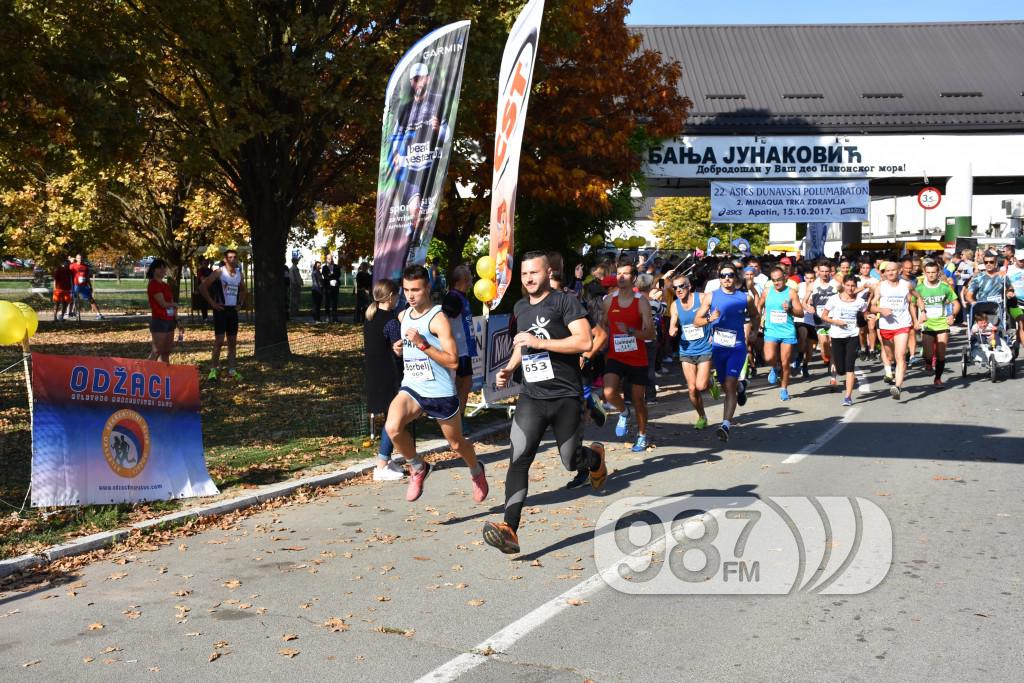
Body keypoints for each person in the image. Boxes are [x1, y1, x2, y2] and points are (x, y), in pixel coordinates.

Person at [481, 252, 607, 554]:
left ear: (547, 272)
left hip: (565, 396)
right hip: (532, 397)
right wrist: (510, 369)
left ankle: (593, 459)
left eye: (533, 273)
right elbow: (522, 343)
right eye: (524, 275)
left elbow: (584, 342)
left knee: (569, 461)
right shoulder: (520, 307)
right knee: (519, 458)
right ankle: (509, 528)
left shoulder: (565, 302)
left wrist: (542, 343)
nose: (528, 279)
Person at [385, 265, 488, 503]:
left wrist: (422, 344)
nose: (411, 296)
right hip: (412, 387)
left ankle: (476, 470)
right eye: (407, 290)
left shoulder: (438, 318)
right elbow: (405, 346)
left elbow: (452, 361)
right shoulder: (403, 315)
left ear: (428, 288)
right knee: (393, 428)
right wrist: (398, 348)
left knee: (456, 443)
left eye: (416, 290)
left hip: (439, 391)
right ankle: (418, 467)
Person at [694, 264, 759, 442]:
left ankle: (725, 425)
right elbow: (696, 321)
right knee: (725, 385)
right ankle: (741, 386)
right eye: (723, 275)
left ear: (736, 277)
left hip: (737, 346)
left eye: (730, 275)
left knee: (729, 384)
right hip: (718, 348)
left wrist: (754, 331)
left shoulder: (745, 297)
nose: (727, 278)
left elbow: (755, 315)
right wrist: (709, 319)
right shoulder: (711, 296)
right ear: (719, 277)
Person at [601, 261, 656, 452]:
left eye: (625, 274)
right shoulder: (609, 300)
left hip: (637, 357)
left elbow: (651, 334)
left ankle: (642, 436)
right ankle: (624, 413)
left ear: (633, 278)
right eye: (618, 274)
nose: (621, 277)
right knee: (608, 393)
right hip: (616, 355)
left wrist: (632, 331)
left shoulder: (641, 301)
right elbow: (603, 327)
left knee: (638, 400)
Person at [364, 279, 407, 482]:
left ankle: (387, 458)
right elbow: (399, 348)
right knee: (394, 418)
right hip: (389, 374)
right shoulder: (390, 322)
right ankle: (381, 464)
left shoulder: (370, 317)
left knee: (392, 416)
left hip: (375, 373)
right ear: (391, 297)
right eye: (397, 295)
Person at [668, 273, 716, 428]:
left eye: (681, 286)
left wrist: (714, 333)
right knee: (692, 387)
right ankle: (702, 416)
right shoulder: (675, 305)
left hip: (704, 346)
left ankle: (710, 382)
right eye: (675, 287)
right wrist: (672, 329)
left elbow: (717, 315)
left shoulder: (702, 298)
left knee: (701, 386)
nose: (678, 290)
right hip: (686, 349)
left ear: (689, 286)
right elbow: (673, 323)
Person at [870, 261, 919, 400]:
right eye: (887, 271)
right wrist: (880, 310)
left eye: (893, 270)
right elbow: (872, 306)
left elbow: (914, 300)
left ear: (899, 271)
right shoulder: (880, 287)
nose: (890, 273)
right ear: (884, 273)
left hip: (903, 324)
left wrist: (918, 317)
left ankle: (897, 386)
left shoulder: (907, 285)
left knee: (901, 355)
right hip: (886, 326)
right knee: (890, 356)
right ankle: (891, 368)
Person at [821, 275, 869, 406]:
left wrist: (869, 317)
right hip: (837, 336)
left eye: (853, 286)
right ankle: (839, 373)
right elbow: (823, 316)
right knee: (841, 369)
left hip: (852, 336)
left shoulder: (860, 302)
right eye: (848, 285)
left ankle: (848, 397)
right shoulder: (834, 299)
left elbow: (865, 313)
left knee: (850, 366)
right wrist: (835, 321)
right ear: (843, 285)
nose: (850, 288)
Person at [199, 249, 246, 381]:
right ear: (225, 260)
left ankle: (232, 370)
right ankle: (214, 370)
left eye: (235, 257)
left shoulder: (239, 274)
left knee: (232, 342)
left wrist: (240, 303)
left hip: (232, 311)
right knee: (219, 342)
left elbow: (243, 290)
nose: (233, 260)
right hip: (220, 310)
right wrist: (212, 303)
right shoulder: (219, 272)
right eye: (230, 257)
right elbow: (203, 287)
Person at [758, 266, 804, 401]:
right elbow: (759, 305)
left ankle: (784, 388)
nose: (777, 283)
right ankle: (774, 367)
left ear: (785, 278)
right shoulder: (767, 291)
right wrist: (759, 317)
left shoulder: (791, 293)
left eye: (779, 280)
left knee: (785, 363)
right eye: (774, 280)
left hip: (787, 331)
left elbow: (800, 313)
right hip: (771, 330)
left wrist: (790, 309)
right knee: (769, 357)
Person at [441, 265, 478, 434]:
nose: (472, 277)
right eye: (469, 275)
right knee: (460, 384)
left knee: (465, 384)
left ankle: (458, 417)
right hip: (457, 349)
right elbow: (443, 319)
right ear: (462, 280)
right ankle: (456, 419)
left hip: (465, 348)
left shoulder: (462, 297)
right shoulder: (452, 298)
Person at [916, 261, 960, 387]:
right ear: (924, 273)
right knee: (928, 353)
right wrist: (916, 320)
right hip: (927, 324)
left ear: (938, 273)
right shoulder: (919, 289)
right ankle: (928, 362)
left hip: (942, 323)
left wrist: (952, 315)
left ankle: (938, 379)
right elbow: (911, 304)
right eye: (928, 273)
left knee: (941, 354)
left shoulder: (944, 287)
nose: (931, 275)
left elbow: (956, 304)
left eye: (933, 272)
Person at [802, 259, 840, 387]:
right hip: (819, 321)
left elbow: (844, 298)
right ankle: (827, 358)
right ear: (818, 271)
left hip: (833, 319)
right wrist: (808, 308)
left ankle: (833, 377)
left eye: (827, 271)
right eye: (822, 271)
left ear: (831, 272)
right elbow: (804, 302)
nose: (824, 274)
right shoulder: (813, 285)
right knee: (824, 344)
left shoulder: (836, 284)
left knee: (832, 344)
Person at [146, 259, 178, 363]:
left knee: (166, 351)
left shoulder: (166, 285)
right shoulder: (153, 284)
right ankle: (145, 373)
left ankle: (164, 374)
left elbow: (171, 302)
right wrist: (173, 304)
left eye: (164, 267)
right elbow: (163, 304)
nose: (162, 270)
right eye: (159, 267)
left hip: (170, 320)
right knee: (157, 350)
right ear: (153, 270)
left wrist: (176, 319)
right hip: (159, 320)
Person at [855, 260, 880, 360]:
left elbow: (878, 293)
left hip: (870, 308)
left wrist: (872, 294)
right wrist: (863, 287)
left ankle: (872, 350)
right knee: (861, 331)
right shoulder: (856, 279)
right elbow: (852, 292)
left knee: (871, 328)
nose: (865, 270)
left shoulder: (875, 280)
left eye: (867, 268)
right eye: (863, 268)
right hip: (858, 308)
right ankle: (863, 347)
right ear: (860, 269)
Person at [69, 254, 105, 319]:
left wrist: (90, 286)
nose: (80, 259)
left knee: (91, 299)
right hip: (76, 285)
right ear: (76, 259)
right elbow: (69, 275)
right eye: (79, 258)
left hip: (84, 286)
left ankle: (99, 314)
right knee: (73, 299)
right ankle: (70, 313)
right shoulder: (72, 266)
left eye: (81, 258)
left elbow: (87, 277)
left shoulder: (85, 266)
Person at [52, 257, 72, 321]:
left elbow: (71, 280)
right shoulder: (59, 270)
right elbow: (55, 279)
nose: (67, 265)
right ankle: (55, 318)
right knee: (57, 304)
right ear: (64, 264)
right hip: (58, 289)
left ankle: (62, 317)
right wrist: (55, 288)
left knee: (65, 303)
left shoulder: (70, 271)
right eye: (66, 264)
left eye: (68, 264)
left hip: (67, 289)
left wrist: (71, 288)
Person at [322, 255, 341, 322]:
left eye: (331, 259)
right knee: (327, 302)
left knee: (335, 302)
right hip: (328, 287)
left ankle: (334, 317)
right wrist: (331, 275)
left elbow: (338, 274)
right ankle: (327, 317)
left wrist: (331, 275)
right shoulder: (324, 267)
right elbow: (325, 275)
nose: (331, 260)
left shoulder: (336, 266)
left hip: (335, 287)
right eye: (329, 259)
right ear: (326, 259)